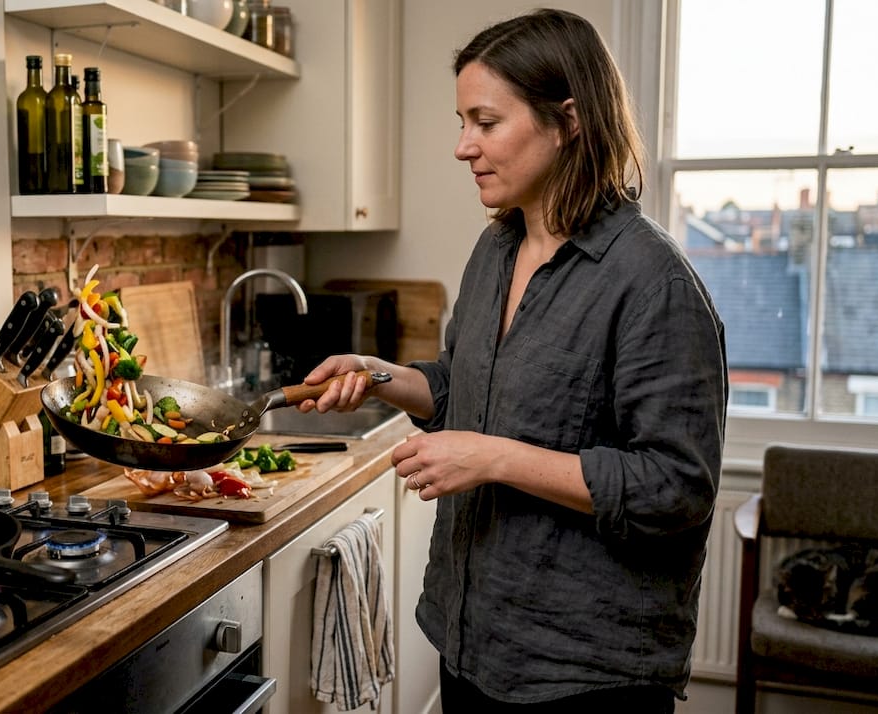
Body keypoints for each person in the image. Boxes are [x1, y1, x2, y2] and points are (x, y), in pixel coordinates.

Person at [298, 8, 727, 712]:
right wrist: (377, 375)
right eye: (462, 121)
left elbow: (675, 487)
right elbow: (461, 386)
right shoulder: (497, 249)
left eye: (486, 122)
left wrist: (494, 458)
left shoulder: (654, 283)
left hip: (581, 671)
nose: (463, 146)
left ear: (568, 121)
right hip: (470, 637)